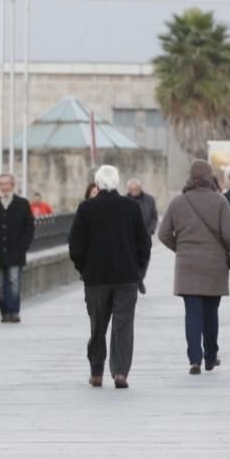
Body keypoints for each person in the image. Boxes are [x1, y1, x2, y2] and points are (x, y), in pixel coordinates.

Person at [69, 166, 151, 389]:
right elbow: (144, 242)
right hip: (126, 278)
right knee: (123, 326)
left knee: (98, 326)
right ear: (117, 183)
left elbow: (75, 245)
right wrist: (138, 269)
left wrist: (83, 269)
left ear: (97, 185)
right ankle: (120, 372)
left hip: (96, 278)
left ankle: (97, 371)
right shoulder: (131, 207)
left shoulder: (86, 209)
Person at [158, 161, 230, 375]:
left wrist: (181, 248)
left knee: (192, 313)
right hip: (214, 266)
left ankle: (195, 359)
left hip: (187, 267)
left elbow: (163, 234)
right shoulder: (220, 202)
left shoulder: (178, 203)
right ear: (210, 177)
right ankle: (211, 356)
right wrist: (224, 250)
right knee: (211, 312)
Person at [0, 173, 35, 323]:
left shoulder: (22, 204)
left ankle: (13, 311)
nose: (5, 187)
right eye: (2, 184)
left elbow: (29, 226)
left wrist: (23, 246)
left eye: (7, 184)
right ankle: (4, 312)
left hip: (15, 251)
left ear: (12, 185)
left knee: (14, 282)